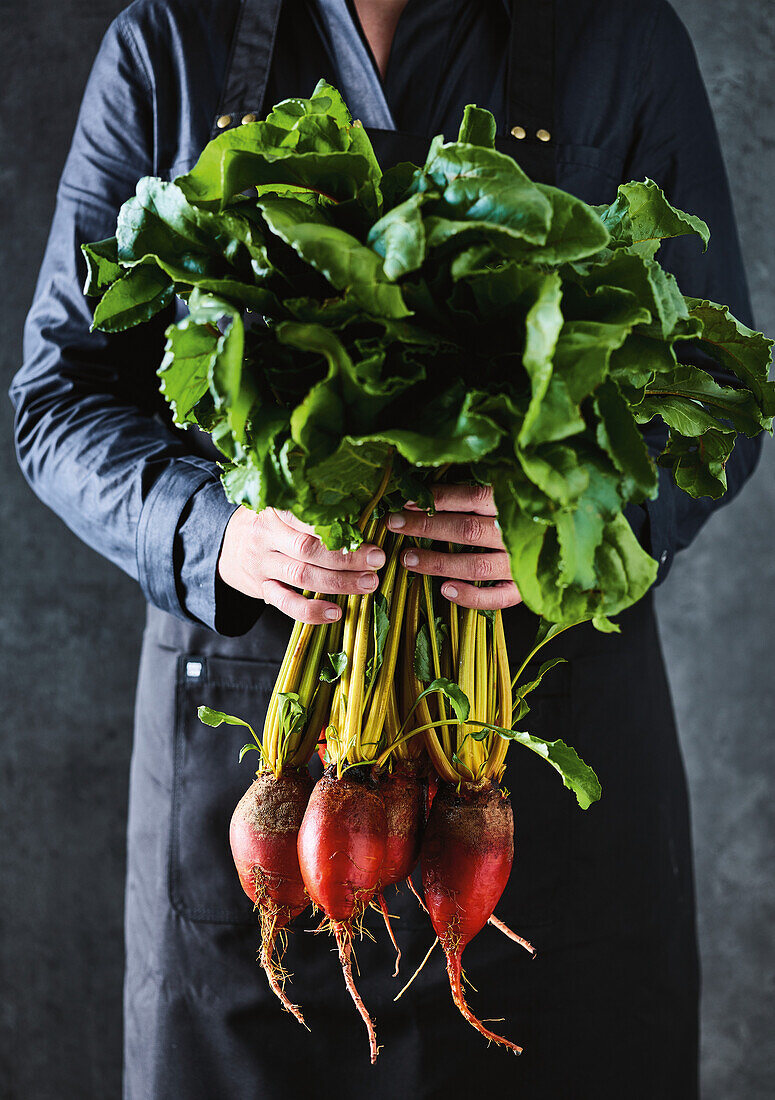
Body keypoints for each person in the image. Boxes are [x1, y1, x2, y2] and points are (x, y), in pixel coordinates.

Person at [11, 0, 762, 1096]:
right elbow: (57, 397)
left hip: (536, 795)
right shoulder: (170, 42)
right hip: (258, 768)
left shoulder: (620, 35)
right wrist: (215, 530)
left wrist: (574, 514)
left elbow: (719, 404)